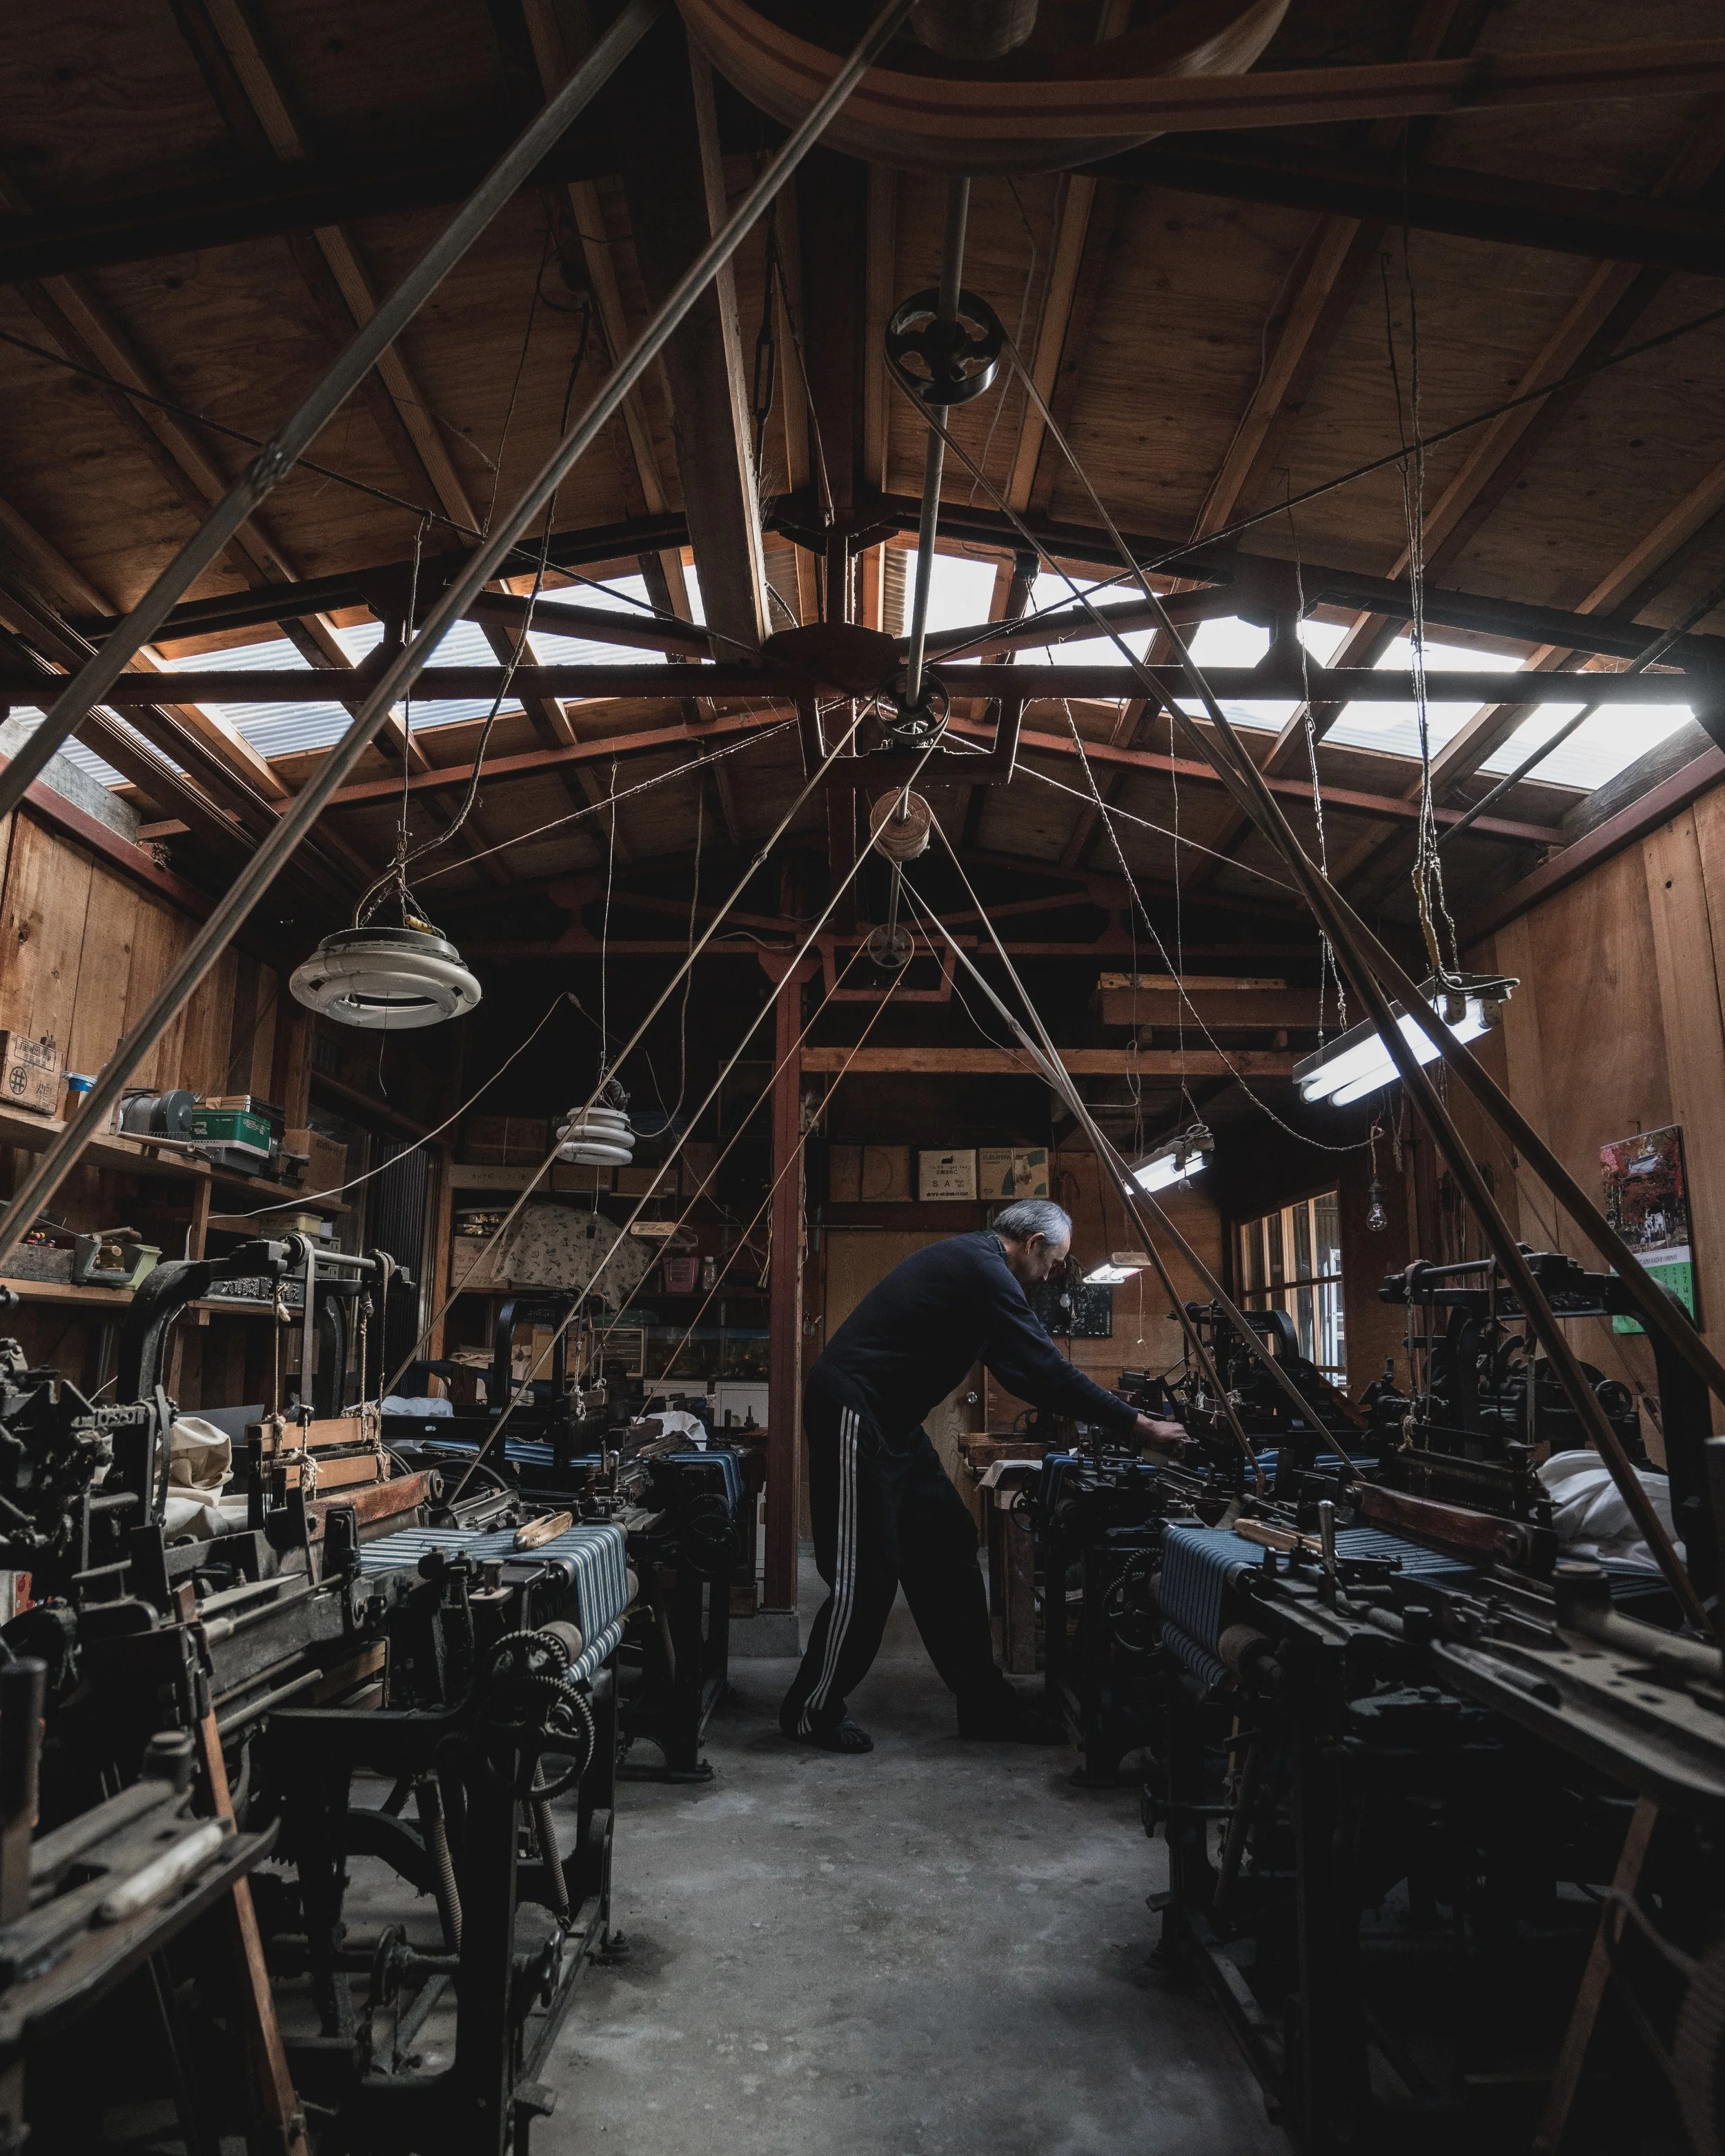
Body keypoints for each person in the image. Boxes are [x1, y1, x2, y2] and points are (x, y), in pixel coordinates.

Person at [780, 1198, 1183, 1753]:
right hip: (857, 1408)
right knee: (867, 1574)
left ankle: (985, 1704)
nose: (1052, 1275)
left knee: (948, 1541)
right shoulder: (983, 1270)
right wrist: (1138, 1427)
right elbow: (1045, 1367)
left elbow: (1026, 1373)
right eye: (1055, 1262)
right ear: (1035, 1243)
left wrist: (1113, 1417)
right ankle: (811, 1710)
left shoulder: (982, 1274)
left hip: (893, 1421)